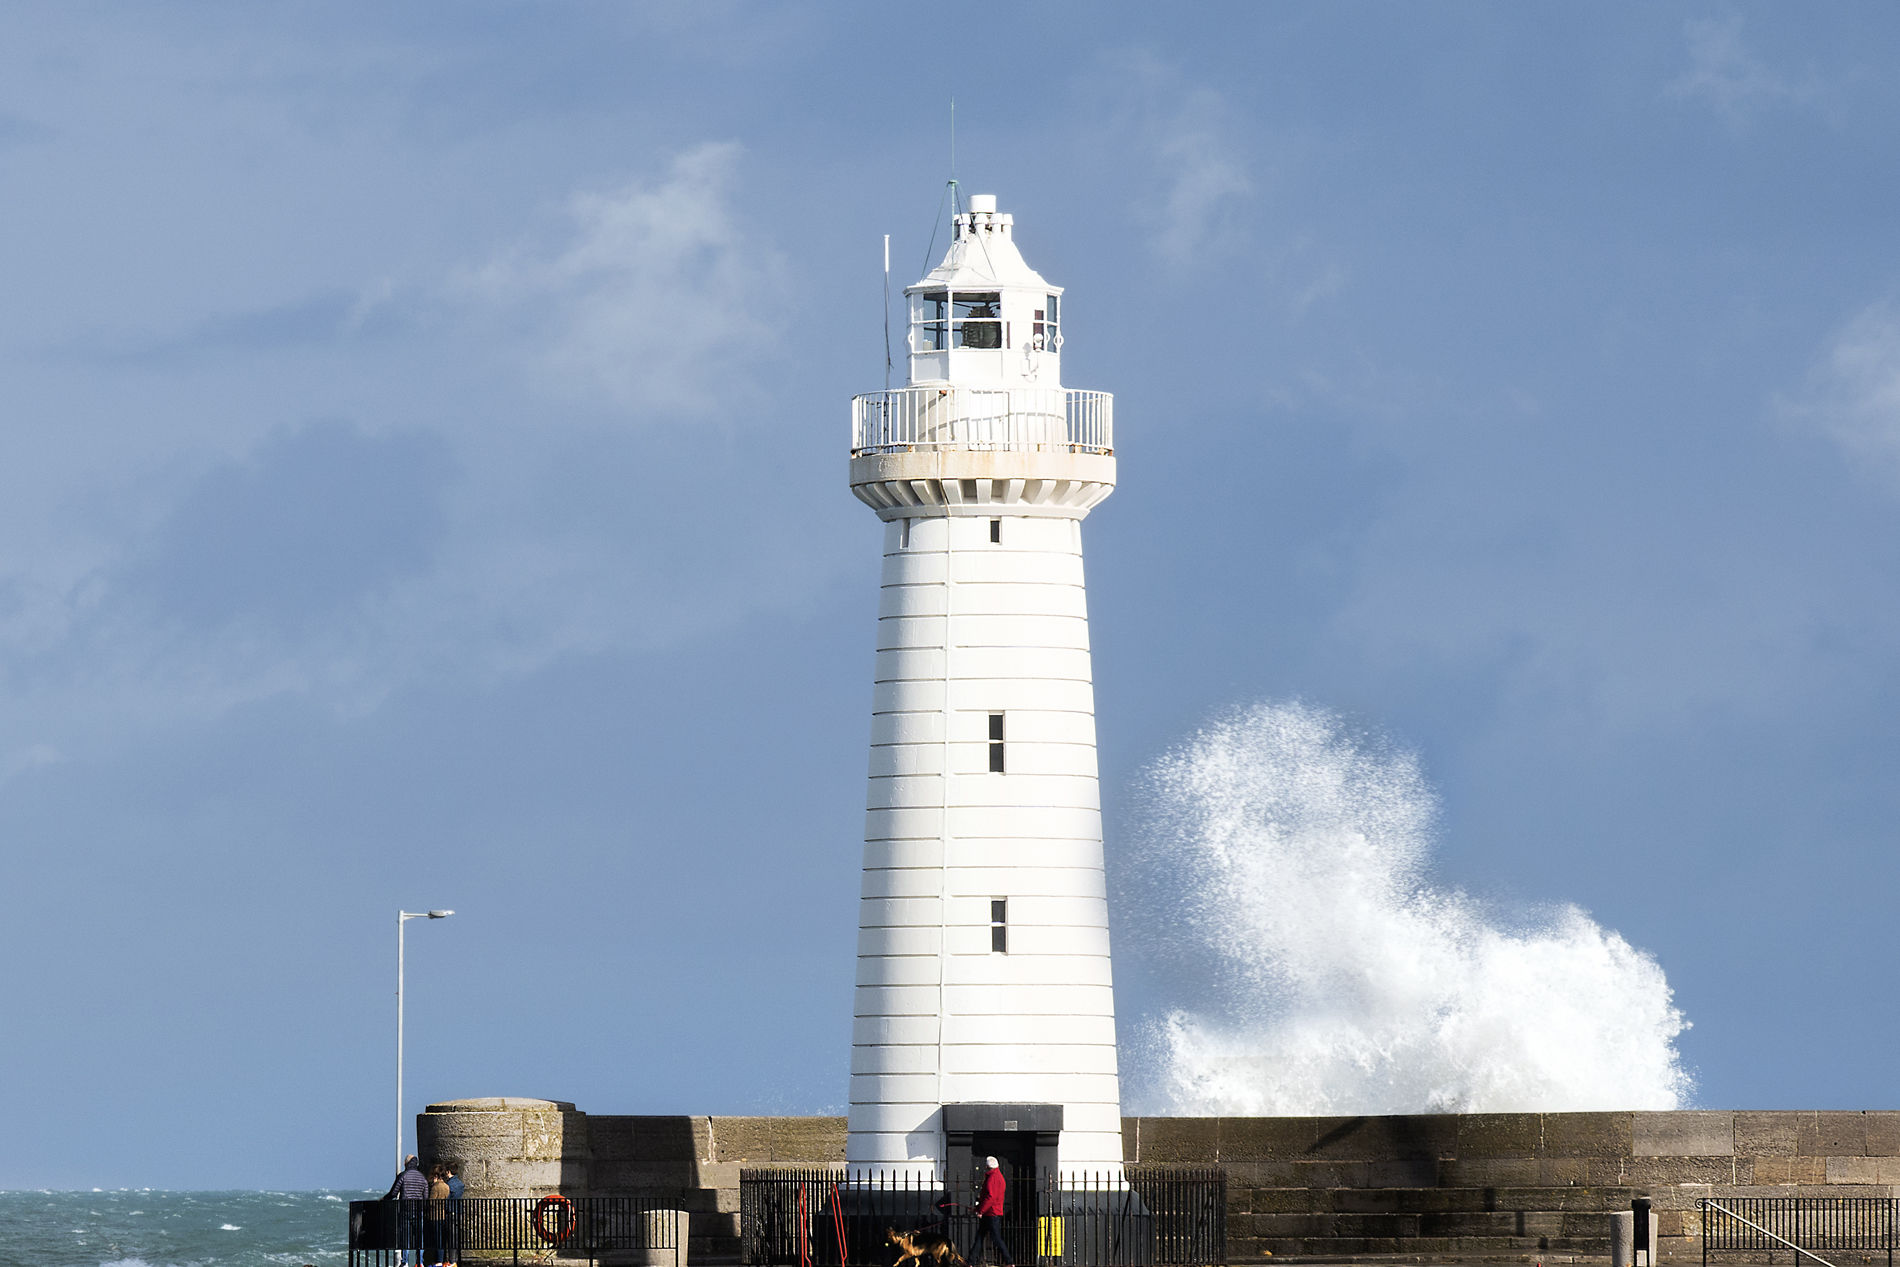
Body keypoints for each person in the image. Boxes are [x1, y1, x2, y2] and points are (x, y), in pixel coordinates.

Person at [384, 1154, 428, 1266]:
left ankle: (405, 1262)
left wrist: (384, 1199)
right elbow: (426, 1197)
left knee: (405, 1236)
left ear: (406, 1163)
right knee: (420, 1237)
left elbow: (394, 1193)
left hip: (406, 1209)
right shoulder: (422, 1177)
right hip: (419, 1210)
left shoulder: (403, 1175)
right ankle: (420, 1261)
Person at [969, 1156, 1014, 1266]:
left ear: (988, 1166)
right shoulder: (997, 1176)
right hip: (991, 1212)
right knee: (980, 1237)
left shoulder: (993, 1178)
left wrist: (981, 1211)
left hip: (991, 1213)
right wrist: (979, 1208)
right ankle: (970, 1261)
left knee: (996, 1239)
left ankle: (1009, 1261)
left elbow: (990, 1197)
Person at [425, 1163, 451, 1266]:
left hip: (435, 1216)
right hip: (443, 1215)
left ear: (436, 1176)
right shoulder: (446, 1186)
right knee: (441, 1239)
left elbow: (431, 1202)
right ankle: (441, 1260)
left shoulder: (435, 1187)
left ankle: (438, 1261)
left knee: (437, 1240)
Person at [444, 1162, 465, 1266]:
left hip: (450, 1213)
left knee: (449, 1238)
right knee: (456, 1237)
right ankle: (455, 1259)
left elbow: (446, 1200)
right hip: (458, 1212)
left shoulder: (448, 1185)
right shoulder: (461, 1184)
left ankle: (452, 1260)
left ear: (448, 1172)